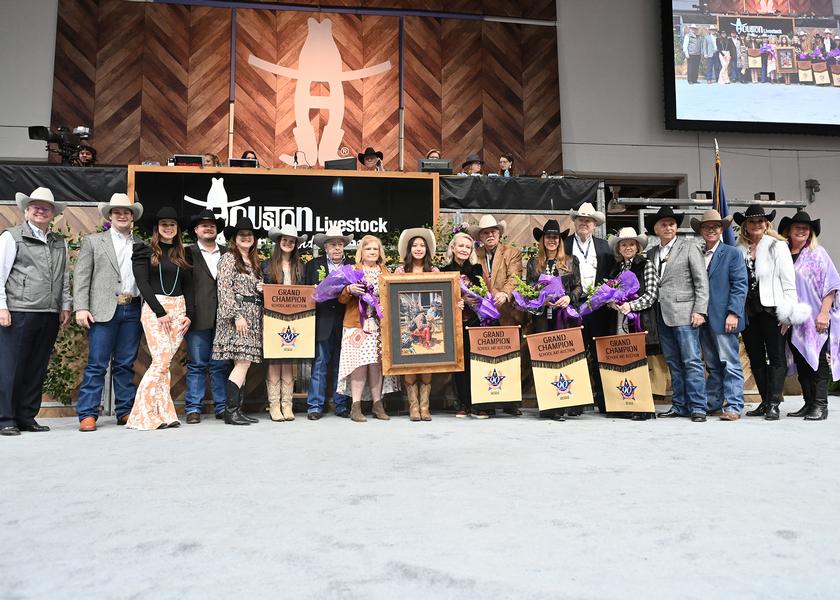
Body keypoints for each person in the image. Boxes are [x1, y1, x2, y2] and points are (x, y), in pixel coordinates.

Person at [0, 187, 71, 436]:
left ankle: (26, 416)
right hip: (19, 310)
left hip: (49, 312)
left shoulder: (58, 241)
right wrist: (1, 307)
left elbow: (64, 276)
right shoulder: (12, 237)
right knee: (11, 367)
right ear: (27, 210)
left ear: (53, 213)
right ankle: (5, 418)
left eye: (46, 207)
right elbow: (0, 273)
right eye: (36, 206)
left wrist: (65, 305)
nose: (41, 210)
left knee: (37, 367)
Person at [74, 193, 144, 432]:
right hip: (102, 310)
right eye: (117, 212)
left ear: (132, 217)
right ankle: (88, 414)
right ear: (110, 216)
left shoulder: (140, 244)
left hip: (132, 308)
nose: (122, 215)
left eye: (126, 212)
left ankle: (124, 410)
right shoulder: (94, 241)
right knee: (97, 364)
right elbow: (82, 276)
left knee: (125, 363)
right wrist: (81, 307)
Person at [734, 205, 809, 421]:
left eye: (760, 221)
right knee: (755, 356)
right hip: (749, 309)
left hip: (772, 308)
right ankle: (765, 400)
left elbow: (789, 282)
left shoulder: (778, 246)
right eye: (751, 221)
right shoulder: (740, 249)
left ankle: (775, 402)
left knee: (776, 355)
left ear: (767, 224)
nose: (756, 225)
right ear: (745, 226)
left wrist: (788, 313)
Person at [127, 207, 193, 430]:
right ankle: (142, 415)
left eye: (172, 224)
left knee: (164, 363)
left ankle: (164, 413)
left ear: (177, 229)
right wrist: (160, 311)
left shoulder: (184, 254)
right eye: (164, 224)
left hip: (179, 309)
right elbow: (142, 284)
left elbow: (189, 287)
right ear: (157, 228)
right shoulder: (144, 251)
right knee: (161, 361)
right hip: (156, 309)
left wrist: (189, 315)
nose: (168, 228)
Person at [645, 206, 709, 422]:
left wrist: (700, 309)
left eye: (672, 223)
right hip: (661, 314)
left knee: (691, 361)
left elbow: (701, 281)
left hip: (685, 313)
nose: (668, 227)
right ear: (656, 228)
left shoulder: (689, 247)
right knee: (673, 362)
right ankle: (680, 405)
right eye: (663, 224)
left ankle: (698, 407)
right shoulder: (651, 253)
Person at [779, 211, 837, 421]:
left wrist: (823, 313)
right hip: (793, 319)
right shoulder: (783, 252)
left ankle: (821, 405)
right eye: (797, 227)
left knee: (818, 360)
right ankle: (808, 403)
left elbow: (831, 285)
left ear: (810, 231)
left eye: (806, 227)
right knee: (802, 360)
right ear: (789, 231)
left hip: (815, 317)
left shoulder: (818, 253)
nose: (802, 230)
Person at [690, 210, 747, 421]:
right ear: (701, 231)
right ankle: (714, 403)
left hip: (725, 318)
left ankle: (733, 405)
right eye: (707, 227)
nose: (711, 230)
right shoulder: (697, 253)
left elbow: (740, 285)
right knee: (712, 365)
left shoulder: (732, 253)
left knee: (729, 362)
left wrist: (733, 313)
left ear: (722, 229)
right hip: (703, 318)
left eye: (715, 226)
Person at [212, 217, 268, 426]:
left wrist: (260, 289)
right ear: (234, 239)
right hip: (238, 315)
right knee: (243, 362)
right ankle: (230, 411)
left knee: (242, 363)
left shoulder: (253, 262)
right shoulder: (228, 259)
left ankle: (238, 410)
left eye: (249, 235)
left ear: (254, 239)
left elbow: (250, 288)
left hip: (253, 313)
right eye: (242, 235)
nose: (246, 238)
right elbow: (224, 290)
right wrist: (236, 316)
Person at [337, 235, 398, 422]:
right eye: (368, 249)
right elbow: (340, 298)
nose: (372, 252)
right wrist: (349, 290)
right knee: (359, 364)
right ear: (361, 252)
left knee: (377, 365)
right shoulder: (351, 271)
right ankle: (355, 407)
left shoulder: (386, 272)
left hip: (379, 325)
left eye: (375, 249)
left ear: (380, 253)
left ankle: (377, 405)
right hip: (356, 325)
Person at [526, 219, 582, 421]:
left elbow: (578, 287)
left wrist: (569, 297)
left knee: (564, 356)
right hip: (542, 315)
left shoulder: (570, 260)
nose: (551, 240)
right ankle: (547, 404)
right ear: (542, 240)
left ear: (559, 240)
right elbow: (528, 289)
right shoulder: (534, 262)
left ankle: (565, 402)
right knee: (544, 358)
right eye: (548, 237)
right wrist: (542, 299)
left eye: (555, 237)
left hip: (564, 315)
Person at [565, 202, 615, 413]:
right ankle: (575, 401)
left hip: (599, 307)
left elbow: (612, 275)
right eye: (581, 219)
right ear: (575, 222)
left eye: (589, 220)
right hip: (572, 305)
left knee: (600, 353)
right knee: (574, 353)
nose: (584, 223)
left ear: (595, 225)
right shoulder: (564, 244)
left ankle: (604, 400)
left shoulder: (605, 246)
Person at [471, 215, 523, 417]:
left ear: (499, 234)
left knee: (509, 358)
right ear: (480, 237)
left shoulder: (513, 253)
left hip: (507, 313)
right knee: (484, 357)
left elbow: (515, 277)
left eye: (493, 231)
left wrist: (505, 293)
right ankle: (486, 402)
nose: (490, 235)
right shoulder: (475, 254)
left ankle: (510, 402)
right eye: (485, 232)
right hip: (482, 315)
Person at [606, 227, 658, 421]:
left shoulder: (646, 265)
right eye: (624, 244)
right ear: (619, 248)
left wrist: (631, 305)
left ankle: (644, 407)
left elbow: (651, 295)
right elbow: (611, 293)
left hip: (638, 320)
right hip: (620, 320)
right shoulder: (616, 269)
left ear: (637, 247)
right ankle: (625, 404)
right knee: (623, 361)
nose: (627, 247)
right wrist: (611, 302)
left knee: (640, 363)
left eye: (631, 244)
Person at [183, 210, 230, 424]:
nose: (208, 228)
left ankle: (222, 407)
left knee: (220, 365)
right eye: (203, 225)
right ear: (196, 230)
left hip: (224, 318)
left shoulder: (228, 253)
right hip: (197, 316)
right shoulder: (186, 253)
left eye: (212, 225)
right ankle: (193, 408)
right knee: (197, 364)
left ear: (216, 229)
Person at [304, 225, 353, 419]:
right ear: (325, 247)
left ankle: (341, 405)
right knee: (320, 362)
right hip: (321, 320)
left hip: (345, 320)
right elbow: (305, 293)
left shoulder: (351, 267)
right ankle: (315, 406)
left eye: (340, 244)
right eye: (333, 244)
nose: (337, 248)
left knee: (342, 364)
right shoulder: (313, 266)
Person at [261, 224, 307, 422]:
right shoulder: (265, 265)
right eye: (284, 240)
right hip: (272, 317)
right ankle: (274, 405)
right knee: (274, 359)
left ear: (295, 244)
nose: (288, 243)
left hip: (294, 318)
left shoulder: (300, 266)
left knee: (289, 359)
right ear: (278, 242)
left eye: (292, 241)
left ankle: (287, 405)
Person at [394, 227, 439, 421]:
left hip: (428, 322)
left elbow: (441, 296)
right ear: (409, 249)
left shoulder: (435, 271)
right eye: (415, 245)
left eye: (422, 245)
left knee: (427, 364)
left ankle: (424, 406)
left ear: (427, 249)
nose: (418, 248)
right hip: (407, 324)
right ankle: (413, 407)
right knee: (410, 365)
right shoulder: (400, 271)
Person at [441, 231, 483, 418]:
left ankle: (477, 402)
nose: (464, 249)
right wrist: (457, 300)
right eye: (461, 246)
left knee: (476, 362)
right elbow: (439, 299)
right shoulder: (443, 271)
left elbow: (486, 294)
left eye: (468, 247)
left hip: (475, 321)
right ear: (453, 248)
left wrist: (478, 298)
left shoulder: (477, 270)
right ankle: (463, 402)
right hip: (454, 322)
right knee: (460, 363)